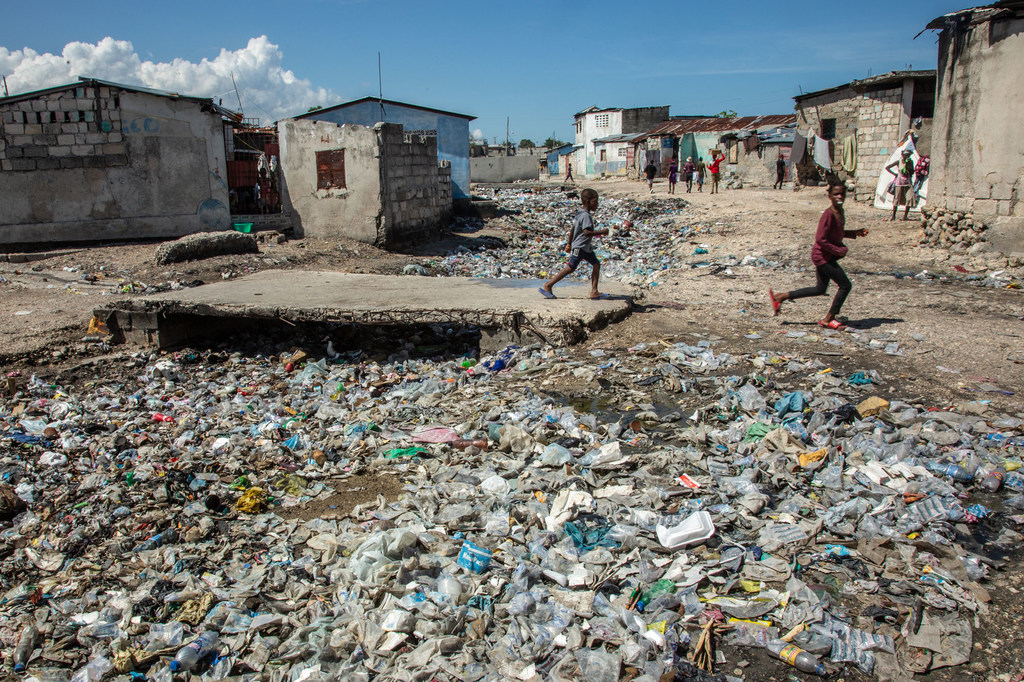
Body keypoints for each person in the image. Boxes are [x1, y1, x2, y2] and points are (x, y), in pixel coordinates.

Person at [768, 180, 868, 330]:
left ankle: (780, 297)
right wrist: (838, 250)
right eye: (836, 194)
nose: (840, 197)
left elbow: (837, 233)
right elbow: (821, 239)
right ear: (829, 196)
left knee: (820, 289)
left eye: (842, 194)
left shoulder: (839, 212)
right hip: (822, 257)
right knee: (845, 285)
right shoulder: (828, 214)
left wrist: (854, 233)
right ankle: (829, 318)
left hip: (826, 256)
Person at [540, 188, 622, 300]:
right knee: (571, 267)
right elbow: (586, 232)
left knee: (596, 264)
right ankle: (548, 285)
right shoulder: (586, 216)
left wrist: (569, 243)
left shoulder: (580, 214)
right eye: (595, 201)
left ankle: (594, 292)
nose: (597, 204)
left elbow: (573, 229)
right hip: (580, 246)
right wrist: (603, 232)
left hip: (585, 247)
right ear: (588, 201)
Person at [885, 149, 914, 220]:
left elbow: (912, 172)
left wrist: (908, 165)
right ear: (902, 155)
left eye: (908, 155)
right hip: (899, 182)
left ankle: (905, 216)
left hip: (907, 182)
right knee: (897, 198)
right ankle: (893, 216)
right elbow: (887, 167)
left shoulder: (910, 162)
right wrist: (895, 174)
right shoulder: (898, 162)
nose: (906, 156)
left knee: (909, 198)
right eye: (905, 155)